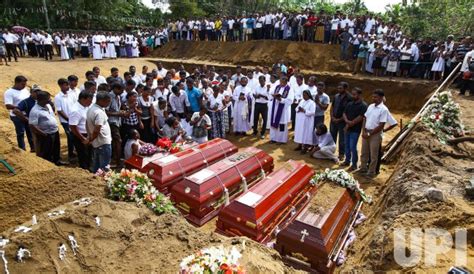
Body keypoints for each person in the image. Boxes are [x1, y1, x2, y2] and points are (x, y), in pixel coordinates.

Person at [359, 89, 389, 178]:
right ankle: (363, 168)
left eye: (375, 97)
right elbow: (365, 118)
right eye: (373, 96)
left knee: (373, 155)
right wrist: (364, 130)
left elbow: (381, 125)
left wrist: (370, 133)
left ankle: (371, 172)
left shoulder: (384, 109)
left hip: (375, 134)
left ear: (381, 98)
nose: (373, 98)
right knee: (364, 152)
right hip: (366, 131)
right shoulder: (370, 106)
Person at [29, 90, 60, 164]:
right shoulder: (35, 111)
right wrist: (44, 134)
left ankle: (57, 162)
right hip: (46, 134)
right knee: (46, 152)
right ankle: (49, 165)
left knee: (56, 149)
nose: (50, 100)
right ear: (42, 100)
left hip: (54, 131)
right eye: (48, 98)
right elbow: (32, 125)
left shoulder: (48, 106)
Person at [4, 76, 33, 150]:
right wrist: (20, 107)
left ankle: (33, 148)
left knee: (30, 132)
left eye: (25, 84)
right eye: (22, 84)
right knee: (20, 133)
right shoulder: (9, 92)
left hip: (27, 114)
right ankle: (22, 149)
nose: (24, 86)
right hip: (16, 116)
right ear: (17, 83)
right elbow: (8, 105)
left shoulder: (25, 90)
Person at [341, 87, 367, 171]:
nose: (353, 96)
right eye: (352, 94)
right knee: (347, 145)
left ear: (359, 95)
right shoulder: (350, 104)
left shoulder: (363, 105)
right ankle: (347, 160)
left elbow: (361, 117)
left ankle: (354, 164)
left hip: (355, 129)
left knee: (352, 146)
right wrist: (347, 121)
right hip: (348, 127)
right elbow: (344, 113)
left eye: (355, 94)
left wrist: (350, 123)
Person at [86, 92, 112, 173]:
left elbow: (86, 123)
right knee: (104, 167)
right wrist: (90, 139)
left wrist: (90, 137)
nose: (109, 103)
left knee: (96, 166)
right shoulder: (99, 112)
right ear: (101, 101)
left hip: (97, 142)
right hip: (103, 142)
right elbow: (97, 129)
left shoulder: (91, 108)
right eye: (107, 101)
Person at [69, 91, 93, 170]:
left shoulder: (85, 106)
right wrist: (82, 138)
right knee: (83, 155)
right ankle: (85, 170)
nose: (90, 103)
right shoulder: (75, 110)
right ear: (82, 99)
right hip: (80, 135)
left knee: (89, 154)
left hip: (87, 134)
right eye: (89, 101)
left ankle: (89, 168)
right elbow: (73, 126)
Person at [54, 78, 77, 160]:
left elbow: (75, 105)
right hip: (65, 121)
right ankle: (71, 154)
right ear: (60, 85)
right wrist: (68, 119)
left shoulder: (71, 94)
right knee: (70, 136)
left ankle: (74, 151)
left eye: (68, 84)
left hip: (73, 119)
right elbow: (59, 110)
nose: (68, 86)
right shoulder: (58, 97)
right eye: (65, 85)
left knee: (75, 135)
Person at [330, 82, 351, 161]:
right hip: (333, 120)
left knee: (342, 139)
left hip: (342, 122)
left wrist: (339, 119)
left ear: (345, 89)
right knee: (332, 137)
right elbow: (332, 107)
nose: (339, 90)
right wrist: (332, 117)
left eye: (341, 88)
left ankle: (341, 154)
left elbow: (348, 112)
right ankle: (331, 152)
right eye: (338, 88)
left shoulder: (349, 98)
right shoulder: (336, 96)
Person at [269, 76, 294, 144]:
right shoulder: (277, 87)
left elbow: (290, 100)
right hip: (275, 108)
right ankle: (273, 138)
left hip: (283, 110)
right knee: (274, 123)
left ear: (286, 82)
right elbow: (271, 93)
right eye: (280, 81)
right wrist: (274, 95)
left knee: (282, 125)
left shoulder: (289, 89)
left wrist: (281, 99)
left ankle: (281, 140)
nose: (281, 83)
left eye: (283, 82)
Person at [106, 82, 125, 168]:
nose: (122, 92)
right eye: (121, 90)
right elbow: (106, 111)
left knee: (115, 142)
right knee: (118, 141)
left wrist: (121, 112)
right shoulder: (109, 97)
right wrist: (118, 114)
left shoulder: (118, 97)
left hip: (117, 122)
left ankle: (115, 159)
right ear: (116, 89)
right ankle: (117, 161)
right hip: (112, 122)